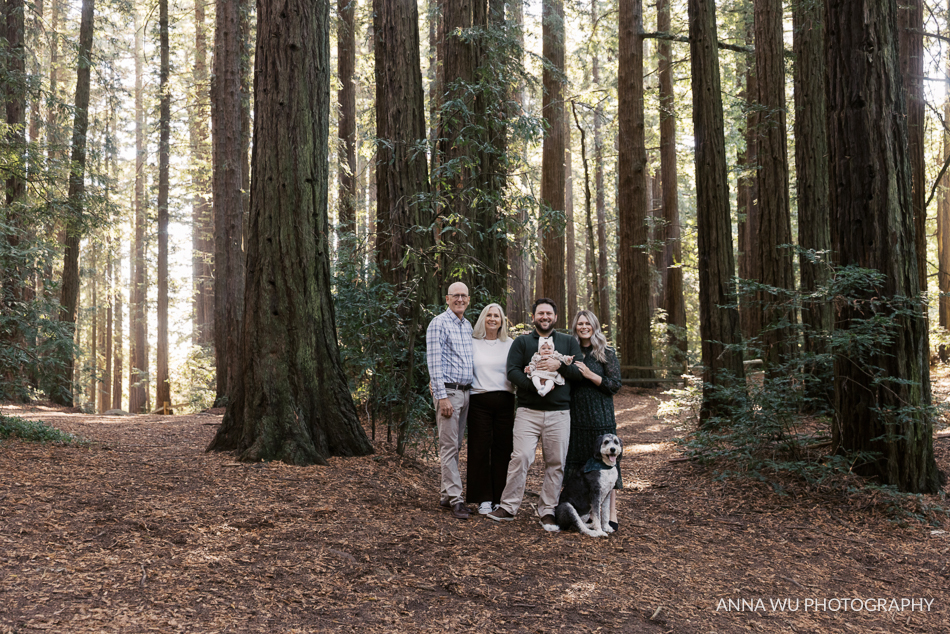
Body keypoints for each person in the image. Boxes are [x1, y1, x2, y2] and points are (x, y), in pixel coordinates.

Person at [487, 298, 583, 531]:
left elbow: (579, 373)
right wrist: (535, 387)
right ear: (533, 317)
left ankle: (547, 510)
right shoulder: (522, 342)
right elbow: (512, 371)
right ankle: (508, 507)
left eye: (549, 313)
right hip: (528, 411)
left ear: (555, 317)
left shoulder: (569, 342)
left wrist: (558, 366)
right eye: (540, 313)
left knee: (556, 462)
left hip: (559, 413)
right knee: (520, 457)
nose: (545, 317)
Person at [565, 309, 623, 530]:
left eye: (587, 323)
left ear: (594, 326)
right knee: (578, 462)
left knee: (608, 464)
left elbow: (615, 385)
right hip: (576, 415)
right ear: (575, 326)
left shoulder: (606, 351)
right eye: (580, 323)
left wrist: (590, 375)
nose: (584, 327)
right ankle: (580, 512)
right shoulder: (570, 350)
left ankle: (611, 514)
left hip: (601, 415)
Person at [426, 282, 474, 520]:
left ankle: (446, 495)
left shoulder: (467, 326)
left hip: (466, 393)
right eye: (455, 295)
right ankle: (456, 499)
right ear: (447, 298)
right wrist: (441, 396)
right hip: (449, 393)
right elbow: (434, 362)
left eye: (463, 296)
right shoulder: (439, 323)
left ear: (468, 299)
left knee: (455, 445)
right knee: (448, 445)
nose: (460, 299)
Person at [467, 303, 516, 515]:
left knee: (503, 450)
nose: (493, 319)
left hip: (505, 401)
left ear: (502, 320)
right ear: (483, 319)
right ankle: (483, 498)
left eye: (497, 316)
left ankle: (499, 498)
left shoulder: (510, 344)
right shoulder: (472, 343)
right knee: (479, 449)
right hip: (479, 400)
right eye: (489, 315)